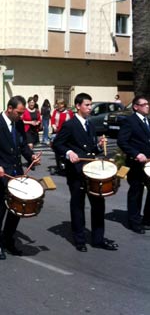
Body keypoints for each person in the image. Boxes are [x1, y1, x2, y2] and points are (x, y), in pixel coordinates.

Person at [53, 92, 118, 252]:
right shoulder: (70, 124)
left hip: (91, 171)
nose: (90, 108)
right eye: (87, 105)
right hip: (76, 172)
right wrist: (69, 153)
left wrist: (98, 145)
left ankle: (98, 238)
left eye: (90, 105)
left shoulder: (89, 124)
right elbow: (57, 144)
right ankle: (80, 239)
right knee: (78, 205)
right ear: (78, 106)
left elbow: (90, 149)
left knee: (98, 204)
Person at [0, 95, 40, 260]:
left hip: (16, 172)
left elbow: (22, 145)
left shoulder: (18, 123)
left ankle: (8, 240)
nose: (21, 117)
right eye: (19, 113)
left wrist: (31, 157)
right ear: (9, 109)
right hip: (0, 174)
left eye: (22, 114)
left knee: (16, 210)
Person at [117, 95, 150, 233]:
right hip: (135, 163)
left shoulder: (147, 121)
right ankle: (134, 222)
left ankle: (147, 220)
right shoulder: (129, 121)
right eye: (144, 104)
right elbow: (122, 141)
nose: (147, 106)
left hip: (148, 163)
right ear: (136, 107)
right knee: (136, 192)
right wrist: (136, 154)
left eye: (148, 104)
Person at [50, 99, 74, 173]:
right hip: (57, 133)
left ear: (64, 104)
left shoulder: (69, 113)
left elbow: (73, 122)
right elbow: (52, 121)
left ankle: (66, 165)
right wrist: (54, 127)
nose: (59, 106)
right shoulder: (55, 112)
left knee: (66, 150)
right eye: (58, 104)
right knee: (57, 150)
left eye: (61, 104)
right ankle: (58, 166)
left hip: (66, 134)